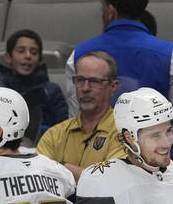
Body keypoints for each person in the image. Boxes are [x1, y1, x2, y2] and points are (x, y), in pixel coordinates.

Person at [66, 0, 173, 116]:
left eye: (102, 6)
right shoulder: (172, 55)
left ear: (110, 11)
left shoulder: (79, 55)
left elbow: (75, 118)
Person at [38, 51, 127, 181]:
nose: (85, 88)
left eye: (94, 81)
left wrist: (60, 167)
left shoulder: (124, 133)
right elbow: (37, 176)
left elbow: (109, 181)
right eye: (80, 80)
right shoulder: (54, 134)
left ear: (113, 87)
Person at [0, 29, 68, 139]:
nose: (28, 56)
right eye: (21, 51)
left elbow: (64, 130)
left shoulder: (52, 91)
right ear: (8, 57)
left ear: (40, 59)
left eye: (34, 52)